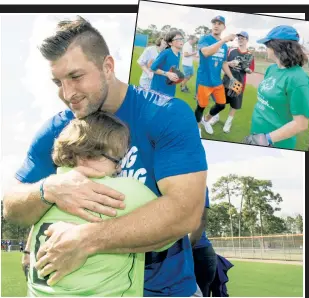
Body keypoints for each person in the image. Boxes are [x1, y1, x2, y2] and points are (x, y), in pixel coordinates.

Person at [3, 16, 207, 297]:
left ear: (107, 67)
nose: (67, 94)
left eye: (76, 77)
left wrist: (87, 239)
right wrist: (47, 189)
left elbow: (186, 213)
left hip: (167, 290)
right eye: (58, 82)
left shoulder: (166, 115)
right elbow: (10, 205)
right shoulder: (57, 129)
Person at [27, 111, 174, 296]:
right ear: (89, 154)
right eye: (117, 159)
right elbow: (174, 229)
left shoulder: (43, 193)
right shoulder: (126, 190)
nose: (119, 168)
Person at [244, 25, 309, 149]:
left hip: (276, 143)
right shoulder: (272, 69)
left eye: (267, 45)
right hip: (256, 133)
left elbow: (301, 124)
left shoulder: (298, 80)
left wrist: (266, 139)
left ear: (277, 47)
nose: (266, 48)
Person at [194, 16, 236, 137]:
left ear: (224, 27)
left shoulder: (224, 46)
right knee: (201, 106)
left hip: (217, 81)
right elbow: (206, 52)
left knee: (221, 105)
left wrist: (231, 77)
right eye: (214, 23)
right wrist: (224, 40)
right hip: (204, 81)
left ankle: (206, 120)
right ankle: (197, 128)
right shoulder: (205, 38)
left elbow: (223, 63)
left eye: (219, 23)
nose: (216, 25)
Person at [209, 31, 255, 133]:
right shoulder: (231, 50)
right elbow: (223, 63)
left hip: (239, 83)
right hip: (226, 81)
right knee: (219, 101)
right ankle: (215, 117)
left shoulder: (250, 55)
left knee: (234, 106)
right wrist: (230, 63)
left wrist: (246, 69)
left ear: (247, 40)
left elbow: (251, 70)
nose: (240, 39)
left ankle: (228, 124)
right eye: (239, 38)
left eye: (243, 38)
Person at [190, 188, 217, 297]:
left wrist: (185, 251)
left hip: (198, 253)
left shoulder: (198, 183)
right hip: (199, 252)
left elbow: (202, 220)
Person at [150, 30, 184, 96]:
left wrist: (177, 74)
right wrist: (167, 74)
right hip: (159, 90)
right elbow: (152, 68)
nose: (181, 41)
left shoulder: (179, 54)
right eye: (177, 39)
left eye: (181, 39)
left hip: (170, 88)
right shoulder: (166, 53)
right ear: (170, 43)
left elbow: (172, 68)